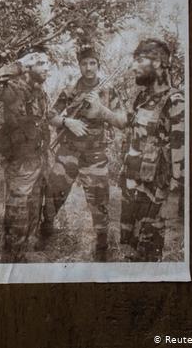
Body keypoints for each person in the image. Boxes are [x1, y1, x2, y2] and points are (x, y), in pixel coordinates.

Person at [84, 38, 184, 261]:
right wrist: (101, 111)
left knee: (147, 254)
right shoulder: (143, 97)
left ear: (157, 63)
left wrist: (171, 203)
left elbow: (181, 159)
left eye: (139, 60)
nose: (133, 66)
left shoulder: (175, 101)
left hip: (154, 197)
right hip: (132, 189)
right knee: (129, 249)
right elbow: (125, 122)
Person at [44, 45, 124, 261]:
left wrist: (101, 110)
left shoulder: (109, 91)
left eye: (93, 63)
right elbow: (50, 115)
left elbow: (122, 121)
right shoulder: (69, 90)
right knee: (54, 192)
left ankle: (101, 245)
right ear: (79, 65)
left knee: (99, 200)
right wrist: (66, 121)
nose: (88, 68)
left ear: (98, 64)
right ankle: (46, 228)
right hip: (68, 151)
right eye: (84, 63)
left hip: (95, 155)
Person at [0, 47, 52, 262]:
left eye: (47, 62)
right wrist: (20, 64)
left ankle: (21, 258)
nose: (47, 67)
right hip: (21, 163)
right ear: (29, 66)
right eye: (41, 63)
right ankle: (10, 260)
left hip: (38, 161)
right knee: (17, 215)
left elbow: (43, 122)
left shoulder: (40, 92)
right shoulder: (13, 90)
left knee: (32, 214)